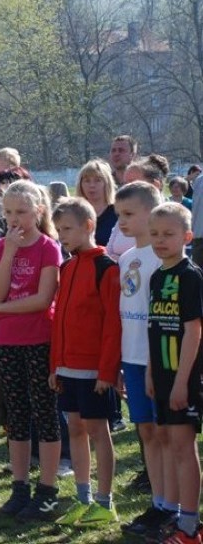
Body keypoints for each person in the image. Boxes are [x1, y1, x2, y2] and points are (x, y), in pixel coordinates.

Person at [0, 180, 63, 521]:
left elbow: (42, 300)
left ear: (39, 211)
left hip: (39, 340)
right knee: (16, 414)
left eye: (22, 212)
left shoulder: (49, 247)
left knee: (44, 414)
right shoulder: (2, 248)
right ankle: (20, 488)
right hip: (7, 342)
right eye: (9, 212)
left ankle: (47, 490)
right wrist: (12, 252)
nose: (14, 219)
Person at [49, 198, 121, 527]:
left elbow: (112, 325)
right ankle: (83, 498)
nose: (62, 235)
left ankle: (105, 502)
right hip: (67, 368)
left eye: (67, 229)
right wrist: (55, 366)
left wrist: (107, 372)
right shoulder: (67, 267)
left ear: (88, 226)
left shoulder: (106, 267)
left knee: (97, 431)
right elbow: (59, 319)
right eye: (58, 229)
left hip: (94, 370)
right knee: (75, 429)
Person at [112, 183, 172, 539]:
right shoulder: (126, 259)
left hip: (156, 362)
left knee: (164, 434)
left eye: (129, 214)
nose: (122, 221)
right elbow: (127, 312)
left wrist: (153, 362)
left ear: (152, 212)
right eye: (119, 214)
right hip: (131, 359)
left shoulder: (164, 259)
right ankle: (158, 501)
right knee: (146, 431)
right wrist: (121, 361)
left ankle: (173, 506)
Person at [146, 203, 203, 544]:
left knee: (184, 448)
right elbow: (156, 328)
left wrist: (183, 382)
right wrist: (152, 373)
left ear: (187, 236)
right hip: (163, 376)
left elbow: (194, 331)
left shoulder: (190, 275)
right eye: (154, 234)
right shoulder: (157, 275)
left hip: (185, 378)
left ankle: (190, 526)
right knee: (170, 443)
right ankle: (181, 519)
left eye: (168, 234)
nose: (160, 241)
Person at [107, 154, 170, 260]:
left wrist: (121, 260)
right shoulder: (124, 216)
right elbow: (109, 251)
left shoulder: (170, 218)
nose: (126, 188)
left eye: (133, 183)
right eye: (125, 183)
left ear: (155, 185)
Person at [76, 160, 117, 248]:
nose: (92, 185)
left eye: (97, 180)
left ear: (107, 184)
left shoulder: (118, 212)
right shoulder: (75, 213)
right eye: (87, 181)